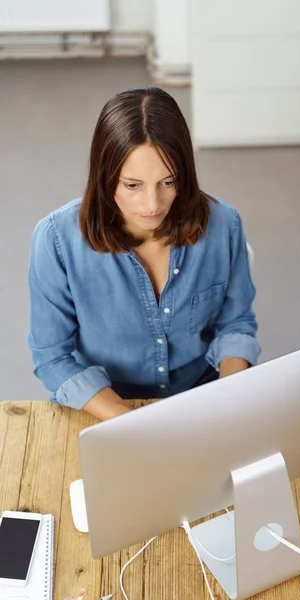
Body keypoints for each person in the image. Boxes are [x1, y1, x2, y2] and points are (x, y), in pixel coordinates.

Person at [28, 87, 260, 421]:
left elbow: (236, 324)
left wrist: (229, 400)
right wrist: (134, 423)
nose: (153, 205)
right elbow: (52, 357)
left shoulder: (225, 225)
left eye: (168, 182)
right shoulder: (55, 240)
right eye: (132, 185)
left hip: (206, 393)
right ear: (104, 178)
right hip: (108, 404)